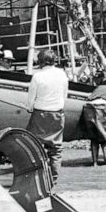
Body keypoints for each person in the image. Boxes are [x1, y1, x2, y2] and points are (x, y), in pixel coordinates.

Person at [25, 49, 69, 182]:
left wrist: (29, 108)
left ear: (40, 61)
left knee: (34, 146)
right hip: (57, 114)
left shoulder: (37, 76)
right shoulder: (62, 74)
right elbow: (64, 96)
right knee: (55, 149)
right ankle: (54, 179)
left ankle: (37, 177)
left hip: (40, 114)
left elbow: (30, 100)